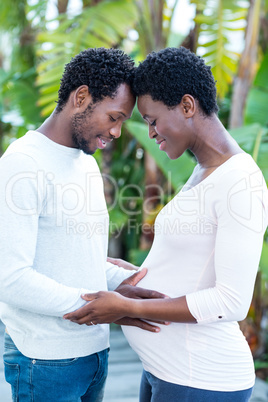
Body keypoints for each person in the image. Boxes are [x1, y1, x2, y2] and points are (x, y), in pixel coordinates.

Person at [64, 47, 268, 401]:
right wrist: (135, 274)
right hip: (168, 370)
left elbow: (231, 301)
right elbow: (194, 265)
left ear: (187, 106)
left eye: (153, 120)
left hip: (201, 378)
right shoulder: (205, 170)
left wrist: (129, 307)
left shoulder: (240, 182)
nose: (151, 133)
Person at [0, 47, 165, 402]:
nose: (118, 132)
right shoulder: (22, 164)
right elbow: (10, 278)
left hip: (95, 352)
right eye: (114, 117)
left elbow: (69, 255)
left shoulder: (86, 163)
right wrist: (98, 305)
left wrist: (121, 284)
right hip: (44, 362)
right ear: (81, 97)